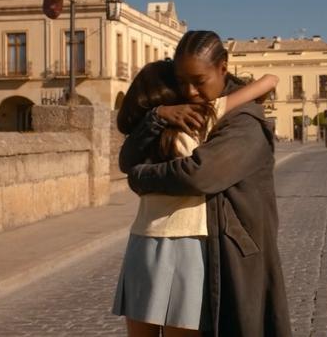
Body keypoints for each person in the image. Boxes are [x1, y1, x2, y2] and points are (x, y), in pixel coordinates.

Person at [120, 30, 292, 337]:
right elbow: (268, 80)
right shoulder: (191, 115)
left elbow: (199, 173)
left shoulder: (241, 122)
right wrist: (158, 116)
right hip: (183, 239)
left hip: (224, 246)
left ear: (223, 68)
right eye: (181, 82)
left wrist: (141, 176)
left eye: (198, 81)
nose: (190, 92)